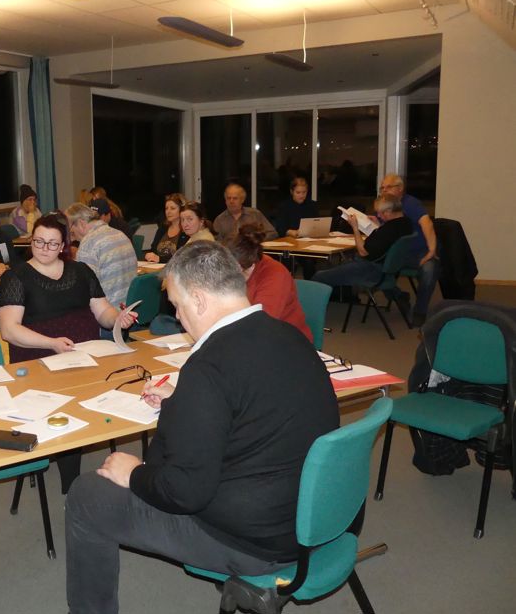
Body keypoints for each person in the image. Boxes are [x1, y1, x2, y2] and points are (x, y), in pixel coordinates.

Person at [64, 240, 339, 614]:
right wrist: (182, 402)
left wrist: (134, 475)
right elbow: (249, 409)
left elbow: (183, 492)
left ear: (198, 299)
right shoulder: (290, 336)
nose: (178, 317)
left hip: (255, 543)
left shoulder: (209, 366)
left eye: (177, 305)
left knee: (87, 494)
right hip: (312, 518)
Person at [0, 214, 136, 493]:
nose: (44, 248)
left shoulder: (82, 271)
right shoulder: (16, 277)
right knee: (66, 406)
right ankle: (71, 488)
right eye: (39, 242)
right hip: (38, 360)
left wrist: (118, 319)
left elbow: (102, 312)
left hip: (84, 356)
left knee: (122, 390)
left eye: (52, 243)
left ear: (63, 246)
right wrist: (51, 343)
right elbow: (10, 330)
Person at [311, 194, 414, 312]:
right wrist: (379, 226)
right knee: (341, 264)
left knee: (319, 276)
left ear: (389, 211)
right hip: (387, 269)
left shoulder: (388, 229)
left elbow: (363, 252)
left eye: (380, 213)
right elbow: (385, 239)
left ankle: (311, 311)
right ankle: (397, 294)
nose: (378, 215)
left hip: (371, 270)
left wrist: (355, 227)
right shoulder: (406, 223)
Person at [230, 223, 312, 342]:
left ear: (248, 266)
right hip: (255, 335)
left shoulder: (274, 274)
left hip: (287, 340)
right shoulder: (239, 268)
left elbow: (261, 323)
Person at [379, 173, 439, 326]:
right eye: (382, 188)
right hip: (394, 252)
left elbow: (427, 223)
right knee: (373, 264)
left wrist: (431, 250)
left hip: (417, 252)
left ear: (400, 188)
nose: (384, 191)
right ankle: (399, 295)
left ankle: (420, 311)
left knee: (429, 270)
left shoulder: (410, 203)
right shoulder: (385, 204)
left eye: (388, 187)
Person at [66, 203, 137, 309]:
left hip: (108, 312)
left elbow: (83, 289)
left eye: (70, 230)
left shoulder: (89, 243)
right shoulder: (120, 234)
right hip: (128, 308)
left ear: (81, 224)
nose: (72, 237)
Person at [212, 183, 277, 245]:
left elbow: (272, 233)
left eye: (235, 198)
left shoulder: (254, 214)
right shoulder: (219, 220)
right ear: (225, 201)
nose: (231, 201)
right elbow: (215, 242)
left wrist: (255, 240)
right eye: (228, 198)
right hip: (230, 251)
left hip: (252, 250)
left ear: (242, 200)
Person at [144, 193, 188, 263]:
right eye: (166, 208)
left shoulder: (186, 230)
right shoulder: (163, 228)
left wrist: (160, 259)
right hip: (156, 266)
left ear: (181, 210)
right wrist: (149, 255)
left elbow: (182, 257)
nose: (168, 212)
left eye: (172, 208)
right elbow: (153, 249)